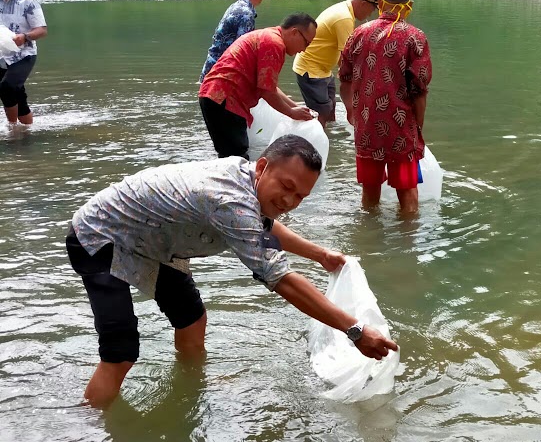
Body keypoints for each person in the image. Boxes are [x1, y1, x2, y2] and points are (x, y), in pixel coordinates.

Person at [66, 135, 398, 408]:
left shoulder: (247, 178)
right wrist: (354, 330)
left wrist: (319, 254)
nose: (289, 200)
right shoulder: (229, 201)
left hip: (153, 240)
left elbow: (263, 226)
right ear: (263, 167)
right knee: (121, 352)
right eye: (286, 186)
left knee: (192, 318)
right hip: (101, 236)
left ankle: (192, 389)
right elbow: (282, 280)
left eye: (300, 195)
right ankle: (94, 432)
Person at [338, 0, 431, 214]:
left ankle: (369, 239)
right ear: (409, 5)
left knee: (370, 189)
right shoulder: (415, 38)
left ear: (379, 2)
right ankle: (408, 242)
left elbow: (344, 79)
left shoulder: (358, 33)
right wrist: (418, 127)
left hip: (367, 126)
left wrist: (352, 112)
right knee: (407, 190)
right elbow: (419, 90)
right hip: (400, 128)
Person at [198, 13, 316, 160]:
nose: (304, 50)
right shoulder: (274, 44)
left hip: (215, 96)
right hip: (224, 98)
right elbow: (267, 92)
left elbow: (270, 87)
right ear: (294, 32)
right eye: (306, 43)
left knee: (231, 156)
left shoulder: (269, 37)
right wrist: (291, 113)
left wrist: (296, 107)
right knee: (236, 159)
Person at [292, 0, 378, 127]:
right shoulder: (344, 18)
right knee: (321, 115)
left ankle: (330, 141)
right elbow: (345, 60)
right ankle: (316, 142)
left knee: (330, 113)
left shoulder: (345, 11)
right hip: (310, 69)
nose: (371, 13)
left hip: (323, 70)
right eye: (372, 9)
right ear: (363, 4)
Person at [0, 0, 47, 127]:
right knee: (17, 95)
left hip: (24, 54)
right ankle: (27, 129)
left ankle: (12, 128)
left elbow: (42, 30)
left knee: (6, 87)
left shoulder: (28, 1)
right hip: (2, 55)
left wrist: (25, 36)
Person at [198, 0, 266, 83]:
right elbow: (244, 49)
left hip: (211, 65)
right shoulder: (246, 14)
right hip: (222, 72)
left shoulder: (235, 6)